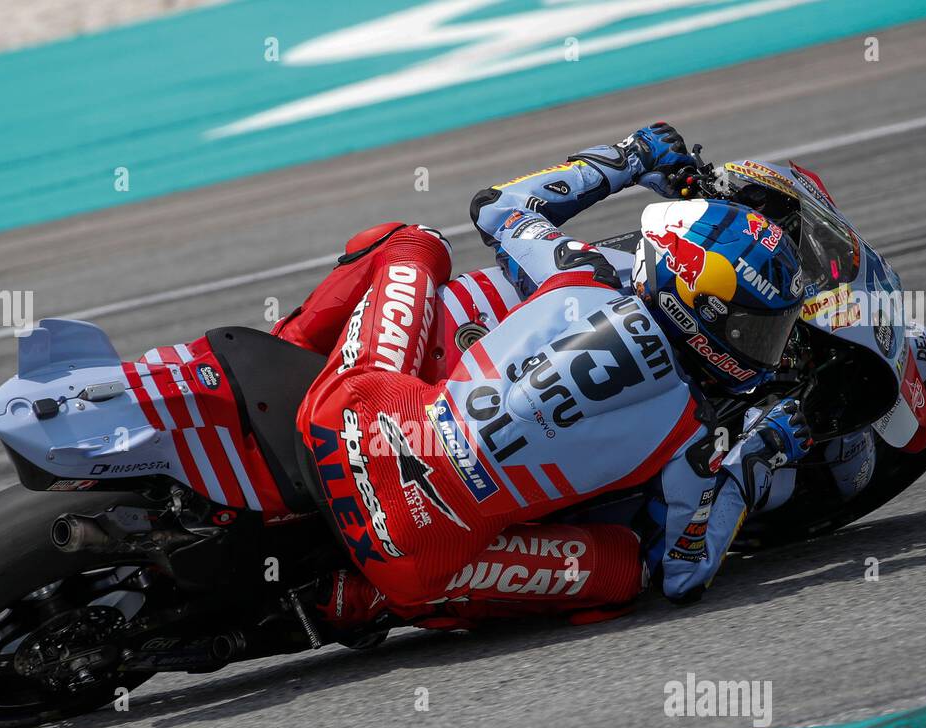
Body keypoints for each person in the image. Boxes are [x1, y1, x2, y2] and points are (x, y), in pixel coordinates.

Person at [275, 124, 813, 629]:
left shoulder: (583, 272)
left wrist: (629, 159)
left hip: (344, 419)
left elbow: (496, 208)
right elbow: (683, 575)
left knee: (414, 242)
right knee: (627, 571)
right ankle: (363, 601)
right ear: (701, 307)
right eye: (753, 330)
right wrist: (758, 454)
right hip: (413, 561)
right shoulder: (696, 432)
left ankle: (284, 352)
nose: (762, 348)